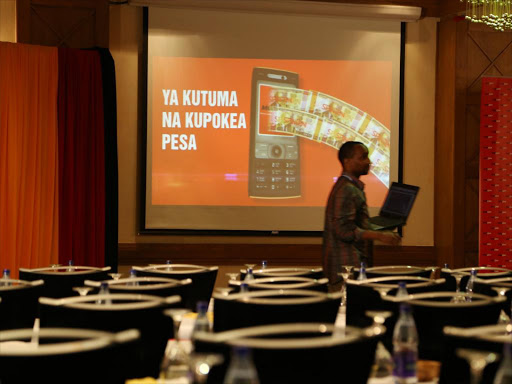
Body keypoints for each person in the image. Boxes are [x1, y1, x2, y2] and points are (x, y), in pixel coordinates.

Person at [322, 141, 400, 290]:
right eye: (363, 157)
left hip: (351, 269)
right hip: (346, 271)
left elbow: (352, 225)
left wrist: (377, 228)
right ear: (347, 161)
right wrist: (379, 236)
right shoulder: (346, 189)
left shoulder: (350, 187)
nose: (368, 162)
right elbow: (343, 230)